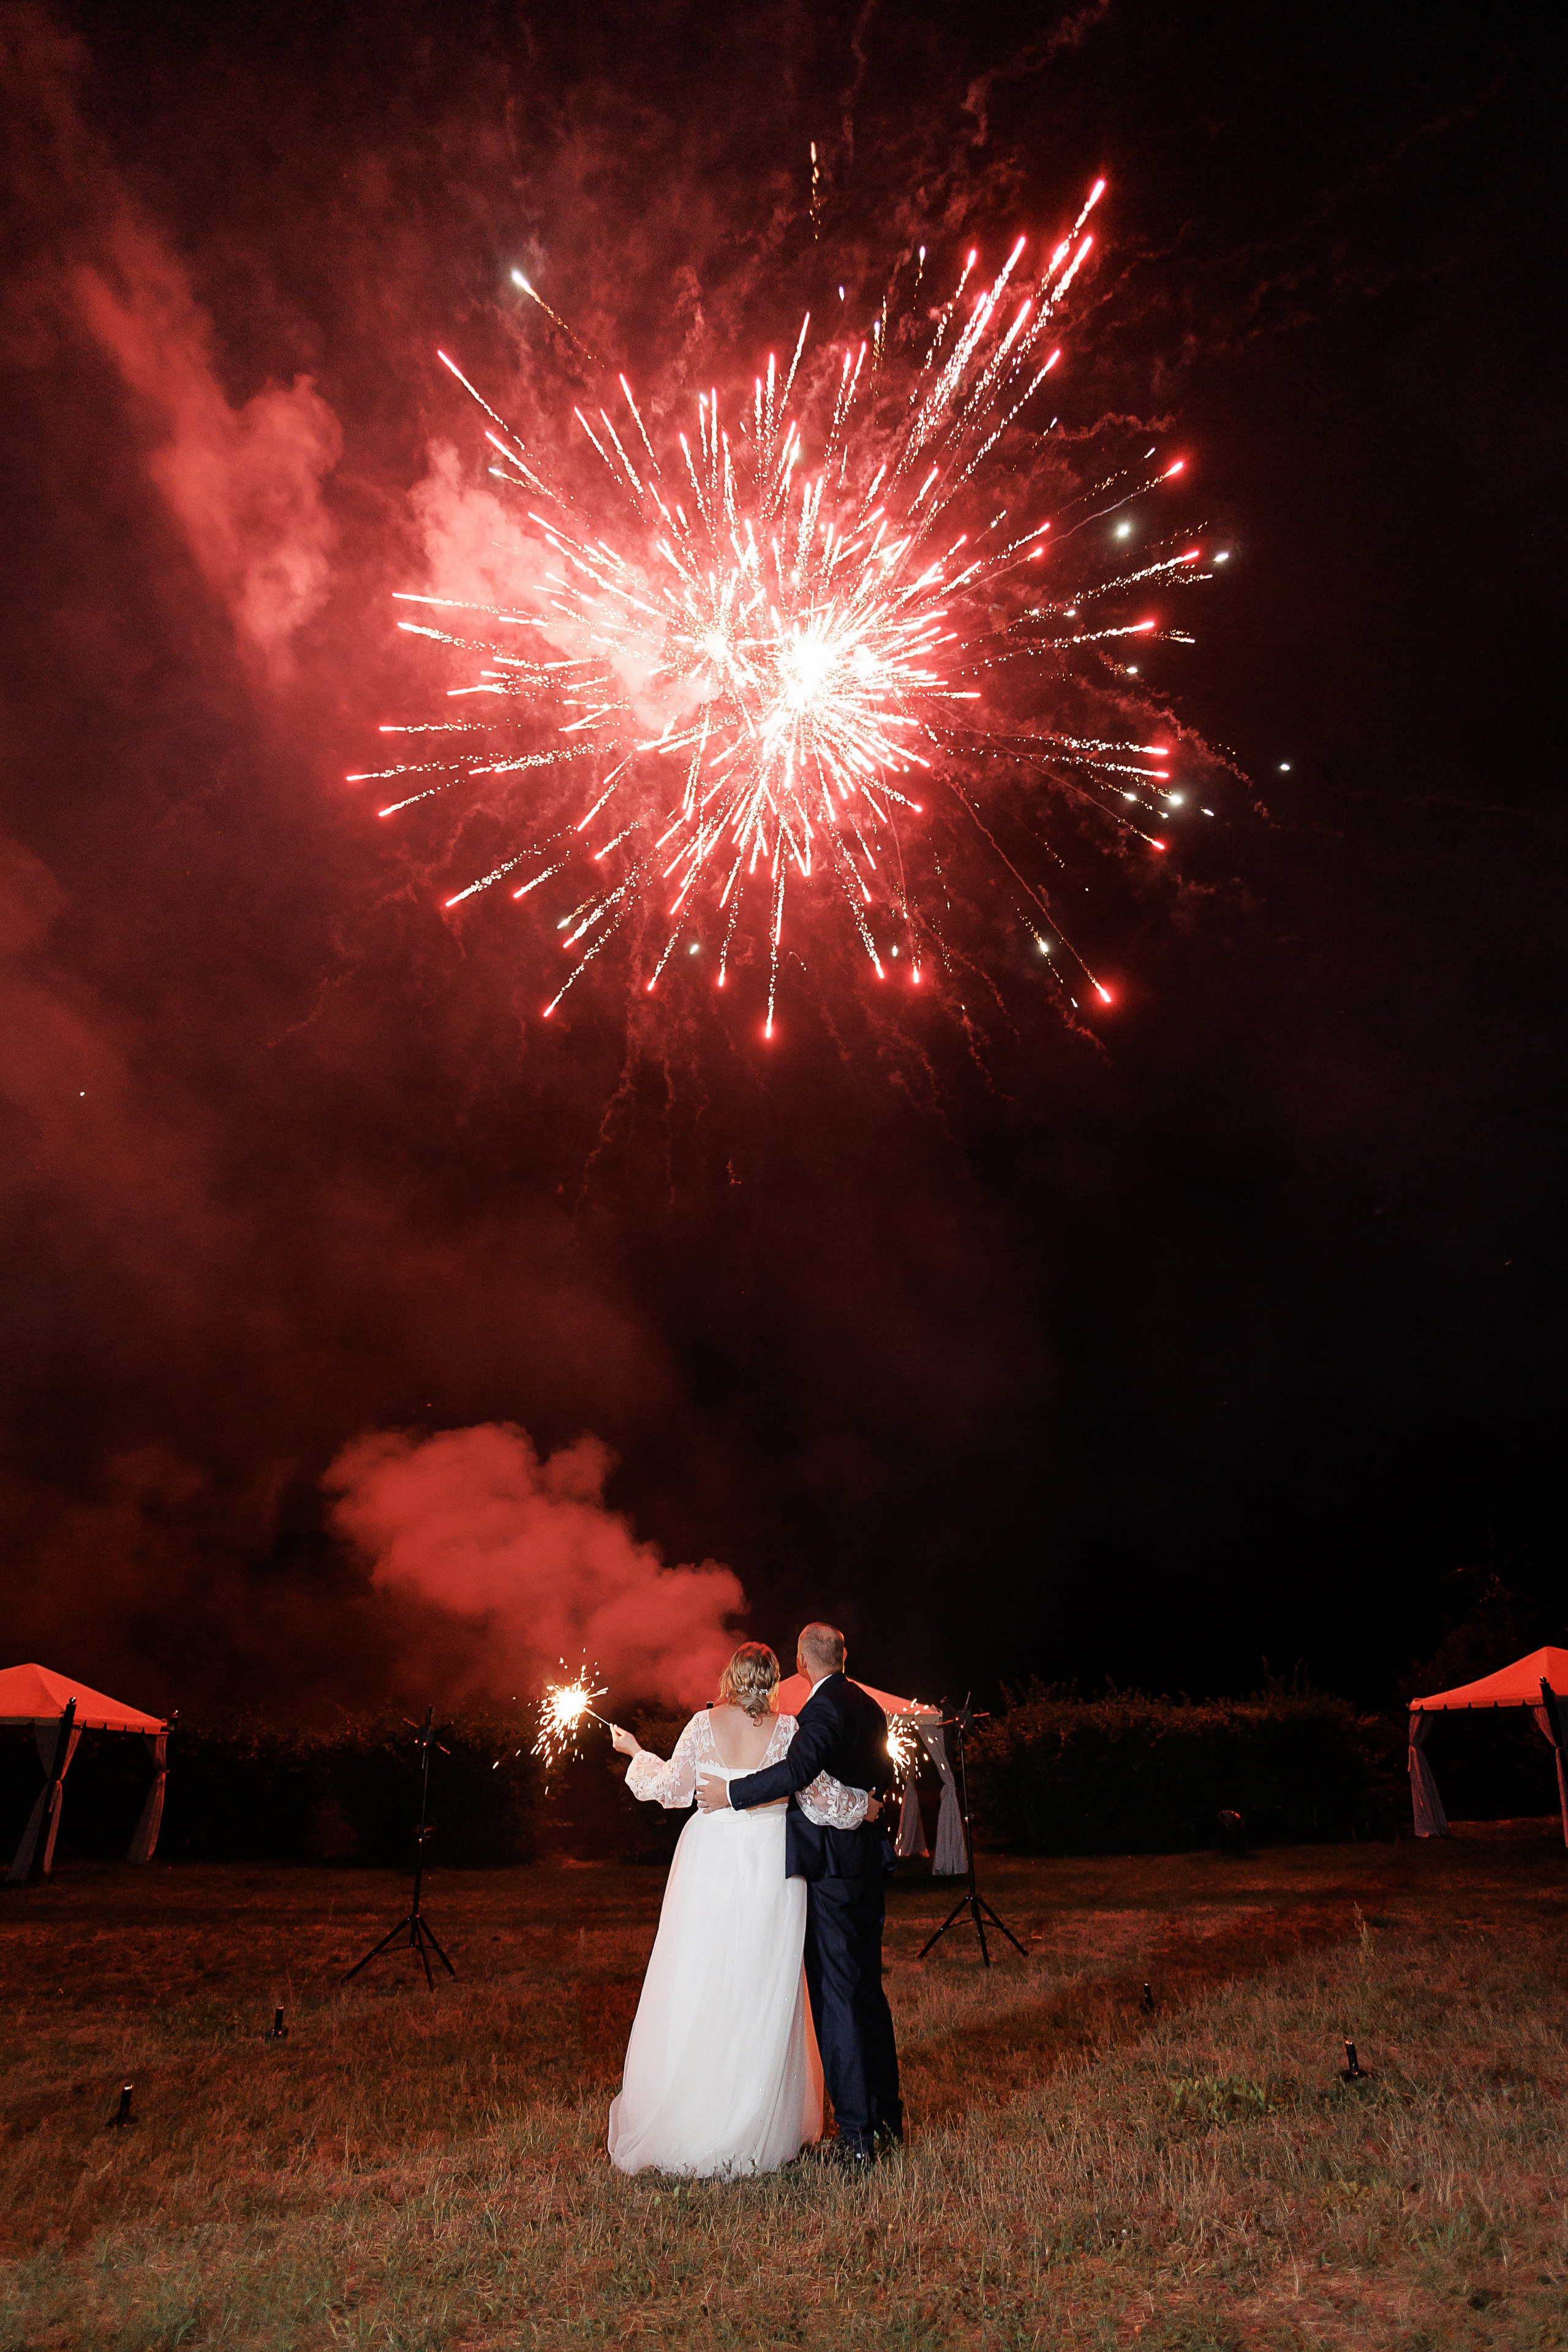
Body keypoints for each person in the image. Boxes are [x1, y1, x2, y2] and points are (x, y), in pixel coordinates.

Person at [606, 1641, 875, 2178]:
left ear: (730, 1675)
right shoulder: (787, 1730)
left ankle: (694, 2112)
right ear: (775, 1678)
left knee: (701, 1977)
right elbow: (818, 1797)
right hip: (769, 1861)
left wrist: (635, 1752)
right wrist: (865, 1806)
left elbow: (672, 1788)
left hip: (710, 1860)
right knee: (762, 1983)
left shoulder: (702, 1724)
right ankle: (755, 2121)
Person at [696, 1622, 902, 2169]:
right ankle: (887, 2119)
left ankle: (857, 2138)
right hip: (864, 1865)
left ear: (802, 1663)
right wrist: (864, 1805)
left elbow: (798, 1771)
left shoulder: (820, 1710)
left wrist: (733, 1792)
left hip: (831, 1871)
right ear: (844, 1654)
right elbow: (881, 1769)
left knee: (838, 1999)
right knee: (866, 1992)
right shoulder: (868, 1706)